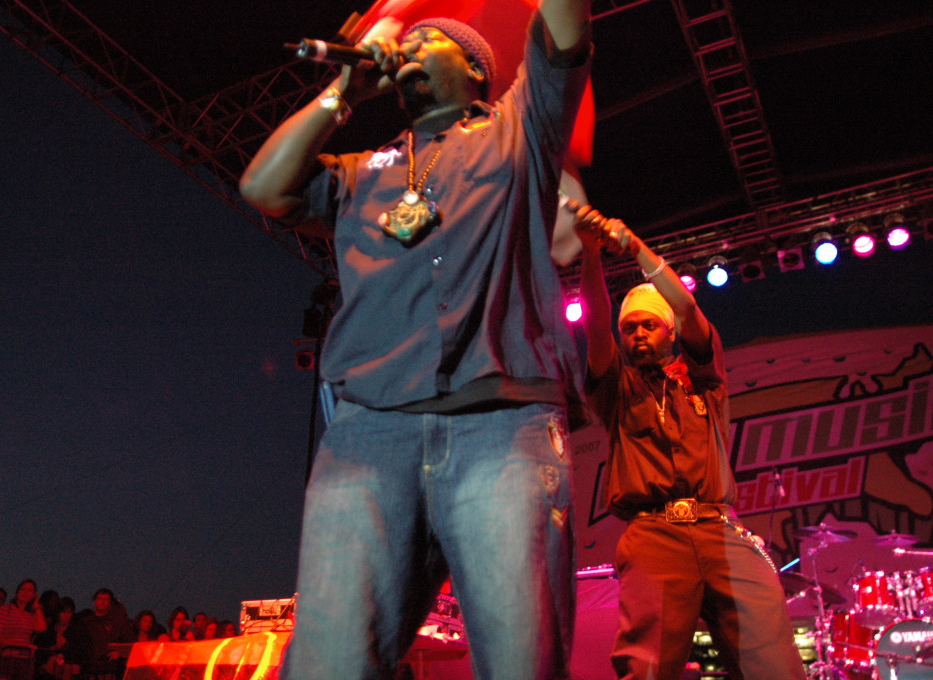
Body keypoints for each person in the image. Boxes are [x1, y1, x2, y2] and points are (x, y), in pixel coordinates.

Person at [239, 1, 592, 678]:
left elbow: (566, 30)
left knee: (521, 660)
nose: (410, 47)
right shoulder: (360, 170)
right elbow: (263, 186)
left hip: (501, 427)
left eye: (430, 40)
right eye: (409, 39)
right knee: (330, 662)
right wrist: (343, 94)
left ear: (476, 69)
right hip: (367, 435)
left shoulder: (519, 127)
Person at [572, 207, 806, 680]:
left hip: (721, 531)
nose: (638, 334)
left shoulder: (703, 379)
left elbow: (687, 308)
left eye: (649, 325)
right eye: (629, 328)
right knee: (647, 666)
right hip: (654, 537)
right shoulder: (618, 389)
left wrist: (636, 248)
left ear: (670, 331)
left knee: (773, 661)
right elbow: (595, 327)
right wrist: (591, 254)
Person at [0, 580, 46, 680]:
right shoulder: (5, 610)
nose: (25, 593)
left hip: (26, 659)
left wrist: (37, 606)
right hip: (8, 657)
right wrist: (23, 645)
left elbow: (41, 628)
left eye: (30, 590)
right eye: (23, 589)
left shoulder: (30, 614)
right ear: (17, 592)